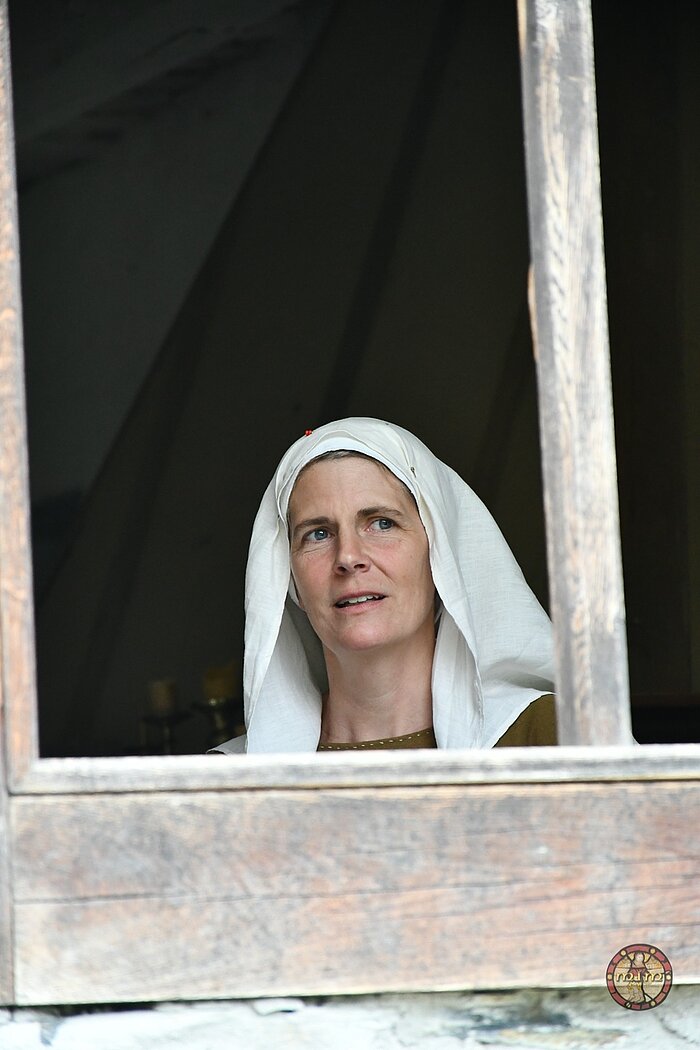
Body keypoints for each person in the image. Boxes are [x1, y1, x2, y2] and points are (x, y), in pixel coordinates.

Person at [214, 417, 556, 754]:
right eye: (318, 534)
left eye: (382, 524)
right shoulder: (226, 778)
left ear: (440, 559)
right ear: (291, 582)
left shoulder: (549, 735)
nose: (348, 557)